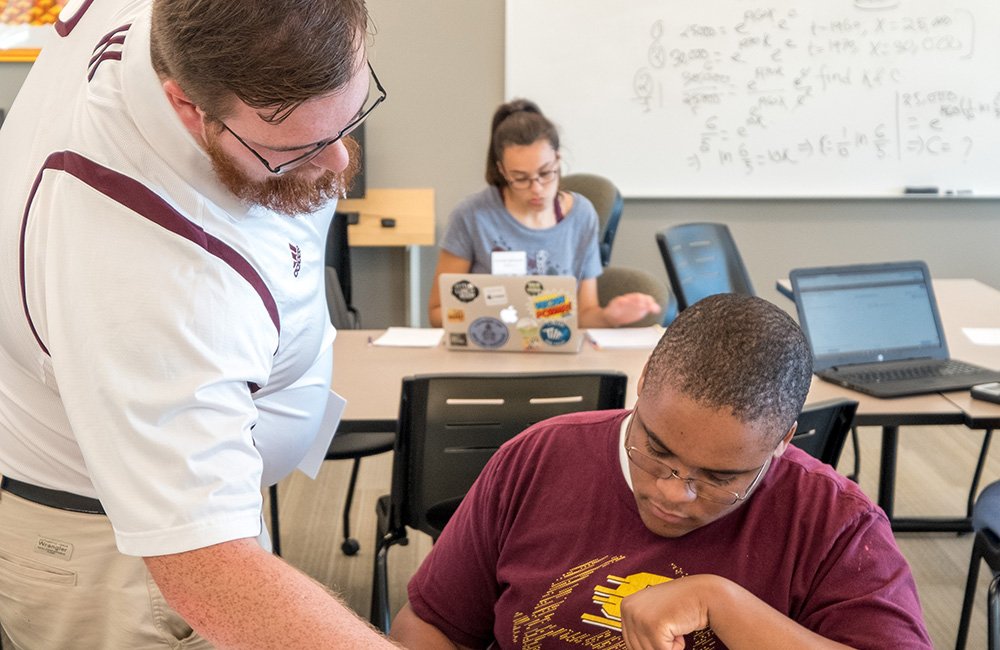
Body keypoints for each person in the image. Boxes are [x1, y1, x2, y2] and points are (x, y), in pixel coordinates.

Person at [0, 1, 396, 647]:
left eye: (352, 117)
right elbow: (206, 567)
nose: (341, 164)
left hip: (185, 490)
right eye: (298, 149)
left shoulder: (186, 26)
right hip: (117, 552)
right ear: (187, 106)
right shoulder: (149, 279)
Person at [392, 294, 933, 649]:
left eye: (720, 478)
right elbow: (431, 624)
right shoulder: (539, 458)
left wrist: (721, 604)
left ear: (782, 442)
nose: (675, 494)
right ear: (644, 381)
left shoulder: (834, 521)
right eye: (655, 449)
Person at [427, 99, 661, 329]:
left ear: (558, 159)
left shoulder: (581, 215)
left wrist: (609, 318)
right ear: (501, 170)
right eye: (520, 178)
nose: (536, 188)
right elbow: (437, 313)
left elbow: (585, 315)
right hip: (490, 351)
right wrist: (486, 318)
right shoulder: (471, 216)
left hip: (557, 350)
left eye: (546, 173)